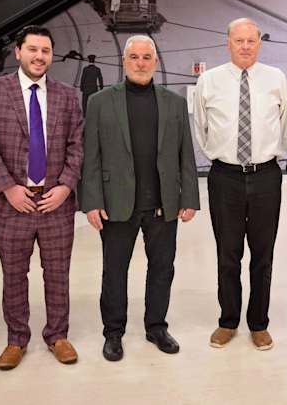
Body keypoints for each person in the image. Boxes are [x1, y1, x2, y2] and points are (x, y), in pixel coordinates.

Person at [82, 35, 199, 362]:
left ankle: (156, 326)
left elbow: (185, 155)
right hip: (116, 202)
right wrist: (91, 201)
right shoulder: (101, 102)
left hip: (163, 202)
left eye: (147, 57)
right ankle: (113, 332)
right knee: (114, 270)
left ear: (156, 62)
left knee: (163, 268)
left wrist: (188, 196)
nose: (141, 62)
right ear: (124, 61)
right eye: (134, 57)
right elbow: (90, 156)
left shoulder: (174, 103)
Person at [0, 25, 83, 370]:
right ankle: (16, 339)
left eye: (46, 51)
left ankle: (57, 335)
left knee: (58, 273)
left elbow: (77, 146)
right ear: (18, 52)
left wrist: (65, 187)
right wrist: (8, 187)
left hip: (55, 203)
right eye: (33, 49)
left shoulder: (67, 95)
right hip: (11, 204)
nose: (39, 56)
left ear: (52, 55)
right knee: (13, 274)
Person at [194, 17, 287, 351]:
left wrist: (271, 157)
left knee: (263, 254)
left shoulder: (276, 78)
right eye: (239, 41)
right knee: (228, 253)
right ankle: (228, 320)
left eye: (251, 41)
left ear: (259, 44)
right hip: (225, 177)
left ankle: (259, 323)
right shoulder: (210, 80)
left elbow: (285, 123)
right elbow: (201, 126)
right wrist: (219, 156)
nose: (245, 47)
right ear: (229, 42)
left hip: (266, 175)